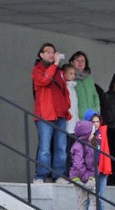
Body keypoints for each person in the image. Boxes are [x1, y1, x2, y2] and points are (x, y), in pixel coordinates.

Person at [31, 43, 70, 184]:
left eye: (53, 52)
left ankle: (59, 175)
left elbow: (65, 91)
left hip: (60, 113)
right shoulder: (37, 70)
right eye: (48, 52)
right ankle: (41, 176)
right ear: (41, 55)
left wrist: (66, 107)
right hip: (45, 114)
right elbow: (45, 80)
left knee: (61, 147)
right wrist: (55, 64)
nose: (52, 54)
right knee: (45, 148)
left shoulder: (59, 72)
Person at [84, 110, 112, 210]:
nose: (96, 124)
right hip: (90, 171)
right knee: (90, 199)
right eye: (93, 121)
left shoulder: (103, 132)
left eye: (97, 121)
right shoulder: (84, 135)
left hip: (102, 170)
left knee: (100, 199)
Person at [69, 119, 98, 210]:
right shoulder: (78, 146)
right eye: (92, 132)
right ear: (86, 133)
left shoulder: (90, 144)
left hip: (89, 177)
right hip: (80, 178)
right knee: (82, 201)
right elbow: (78, 164)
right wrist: (86, 177)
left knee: (94, 199)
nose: (93, 134)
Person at [68, 51, 100, 120]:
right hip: (77, 116)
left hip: (92, 115)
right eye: (77, 60)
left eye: (82, 61)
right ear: (72, 62)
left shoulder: (89, 78)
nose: (80, 63)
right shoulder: (70, 78)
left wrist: (97, 109)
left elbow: (95, 95)